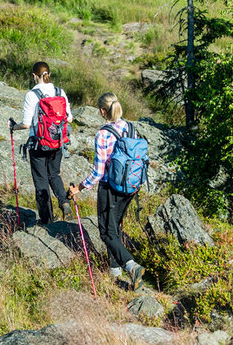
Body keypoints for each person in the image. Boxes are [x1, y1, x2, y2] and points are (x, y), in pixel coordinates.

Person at [68, 92, 146, 290]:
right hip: (130, 187)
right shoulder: (130, 127)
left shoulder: (102, 134)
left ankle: (132, 266)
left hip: (110, 187)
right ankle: (114, 271)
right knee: (115, 227)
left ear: (102, 111)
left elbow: (98, 172)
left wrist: (79, 188)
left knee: (107, 232)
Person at [9, 62, 73, 225]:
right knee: (54, 174)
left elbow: (26, 124)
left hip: (38, 144)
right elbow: (69, 118)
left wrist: (13, 127)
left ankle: (47, 220)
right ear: (49, 74)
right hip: (57, 142)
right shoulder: (60, 92)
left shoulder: (32, 95)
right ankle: (64, 202)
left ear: (34, 75)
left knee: (41, 180)